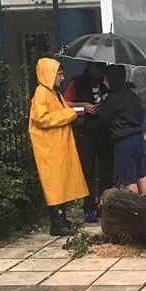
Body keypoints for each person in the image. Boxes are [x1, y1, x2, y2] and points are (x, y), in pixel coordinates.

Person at [28, 58, 91, 236]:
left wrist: (72, 115)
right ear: (49, 74)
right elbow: (42, 119)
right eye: (60, 74)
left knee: (61, 182)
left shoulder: (53, 93)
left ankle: (61, 219)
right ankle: (57, 222)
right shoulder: (42, 94)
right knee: (54, 184)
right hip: (50, 148)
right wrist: (71, 113)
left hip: (57, 146)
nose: (62, 78)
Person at [63, 62, 112, 223]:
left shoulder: (106, 82)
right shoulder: (77, 82)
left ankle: (105, 205)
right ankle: (89, 206)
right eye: (98, 68)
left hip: (105, 132)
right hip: (86, 132)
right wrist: (82, 105)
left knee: (106, 170)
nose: (100, 71)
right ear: (91, 68)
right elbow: (65, 103)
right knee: (88, 171)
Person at [99, 64, 146, 195]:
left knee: (128, 180)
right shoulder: (133, 96)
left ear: (112, 80)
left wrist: (103, 104)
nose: (104, 82)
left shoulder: (114, 98)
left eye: (105, 79)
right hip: (138, 139)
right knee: (141, 175)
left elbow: (103, 119)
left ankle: (133, 210)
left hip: (124, 142)